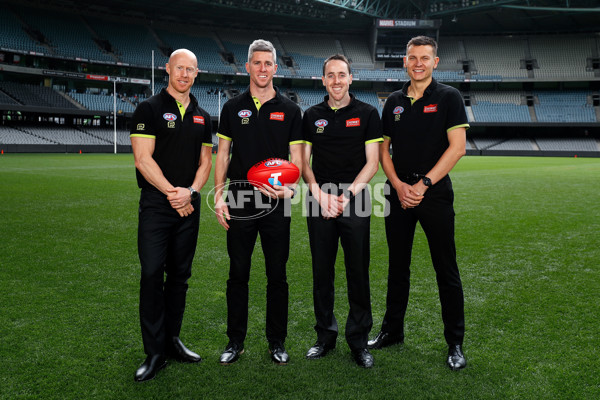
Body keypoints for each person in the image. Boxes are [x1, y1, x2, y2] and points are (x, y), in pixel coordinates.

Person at [367, 36, 470, 370]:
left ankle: (455, 343)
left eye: (425, 58)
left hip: (434, 193)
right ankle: (392, 332)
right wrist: (397, 184)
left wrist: (424, 184)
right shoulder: (393, 101)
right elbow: (383, 148)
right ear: (405, 61)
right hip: (398, 194)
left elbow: (457, 147)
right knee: (398, 267)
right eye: (413, 57)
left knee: (446, 269)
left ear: (435, 62)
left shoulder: (449, 97)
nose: (418, 63)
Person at [214, 39, 303, 365]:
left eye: (268, 64)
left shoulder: (291, 110)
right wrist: (220, 197)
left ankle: (276, 342)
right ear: (248, 66)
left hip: (278, 202)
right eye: (257, 63)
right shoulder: (231, 107)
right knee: (238, 273)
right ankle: (234, 342)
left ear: (275, 68)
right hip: (239, 199)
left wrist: (291, 192)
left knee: (277, 274)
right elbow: (222, 154)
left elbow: (297, 158)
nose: (263, 69)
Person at [130, 49, 213, 382]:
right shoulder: (148, 108)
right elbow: (142, 159)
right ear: (168, 69)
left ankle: (173, 341)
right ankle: (154, 353)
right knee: (152, 274)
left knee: (180, 276)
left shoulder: (203, 115)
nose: (184, 74)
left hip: (188, 204)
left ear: (196, 74)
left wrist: (189, 192)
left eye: (190, 70)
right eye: (179, 68)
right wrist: (172, 193)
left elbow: (205, 163)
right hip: (157, 204)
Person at [301, 54, 382, 368]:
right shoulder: (312, 115)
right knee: (322, 272)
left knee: (358, 273)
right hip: (318, 197)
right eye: (330, 75)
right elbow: (303, 163)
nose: (336, 80)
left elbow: (372, 163)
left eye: (342, 74)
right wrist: (320, 194)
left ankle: (359, 341)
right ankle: (324, 337)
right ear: (323, 80)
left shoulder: (367, 113)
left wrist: (345, 196)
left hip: (355, 198)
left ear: (351, 78)